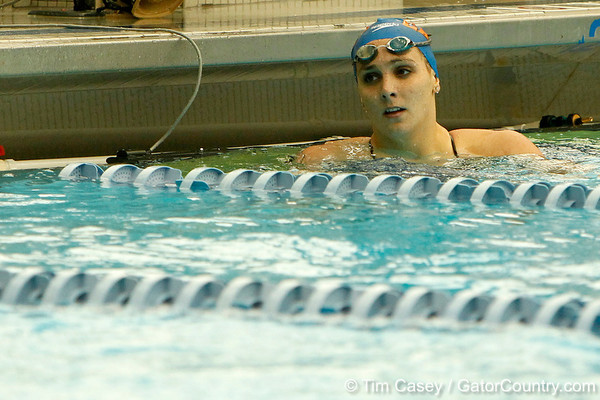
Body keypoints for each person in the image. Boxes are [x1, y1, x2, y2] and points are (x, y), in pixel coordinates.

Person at [297, 18, 543, 165]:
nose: (387, 90)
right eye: (371, 77)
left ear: (434, 78)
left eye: (403, 71)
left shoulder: (505, 150)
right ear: (361, 94)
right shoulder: (321, 161)